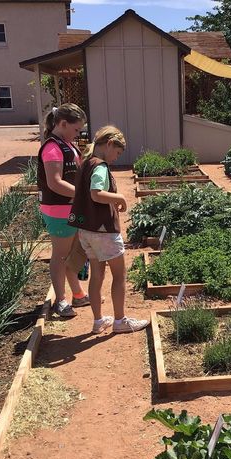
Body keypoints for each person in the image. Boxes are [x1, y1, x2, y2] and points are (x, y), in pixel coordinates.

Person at [68, 126, 149, 334]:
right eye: (117, 152)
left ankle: (98, 321)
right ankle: (120, 321)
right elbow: (96, 193)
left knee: (97, 275)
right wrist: (120, 198)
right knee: (119, 275)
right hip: (103, 230)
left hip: (85, 230)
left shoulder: (85, 163)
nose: (116, 157)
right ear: (110, 144)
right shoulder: (100, 167)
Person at [37, 103, 90, 318]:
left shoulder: (67, 144)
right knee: (60, 256)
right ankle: (61, 300)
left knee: (71, 254)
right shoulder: (52, 148)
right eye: (76, 130)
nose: (78, 134)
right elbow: (55, 182)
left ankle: (78, 294)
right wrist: (83, 195)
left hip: (70, 208)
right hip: (59, 210)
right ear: (63, 124)